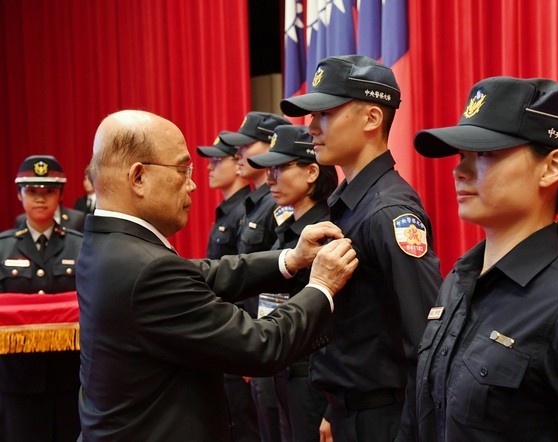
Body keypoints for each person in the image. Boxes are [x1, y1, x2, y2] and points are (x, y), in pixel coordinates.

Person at [76, 109, 358, 442]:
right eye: (183, 169)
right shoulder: (148, 268)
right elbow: (260, 345)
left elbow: (201, 273)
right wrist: (321, 287)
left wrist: (290, 259)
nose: (193, 184)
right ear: (138, 177)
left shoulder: (106, 243)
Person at [412, 76, 558, 441]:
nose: (459, 171)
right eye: (461, 155)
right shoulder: (457, 281)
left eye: (485, 154)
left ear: (552, 166)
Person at [280, 54, 443, 441]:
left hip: (386, 418)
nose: (311, 127)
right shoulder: (350, 201)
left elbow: (424, 337)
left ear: (372, 119)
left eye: (325, 114)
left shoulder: (389, 211)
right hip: (350, 410)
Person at [248, 124, 338, 441]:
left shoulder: (328, 231)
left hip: (314, 378)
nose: (270, 178)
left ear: (312, 172)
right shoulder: (288, 228)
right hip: (283, 369)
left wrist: (333, 405)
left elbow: (343, 320)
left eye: (280, 167)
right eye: (268, 169)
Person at [220, 111, 292, 442]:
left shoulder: (278, 207)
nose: (239, 154)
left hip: (270, 337)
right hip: (253, 331)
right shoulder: (256, 202)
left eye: (247, 145)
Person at [0, 154, 83, 441]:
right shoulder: (3, 248)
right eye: (32, 191)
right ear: (19, 194)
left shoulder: (80, 245)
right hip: (17, 380)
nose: (40, 199)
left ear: (60, 195)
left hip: (69, 376)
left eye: (48, 191)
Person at [197, 134, 258, 441]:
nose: (209, 168)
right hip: (225, 329)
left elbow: (244, 280)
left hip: (237, 330)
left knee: (245, 423)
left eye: (217, 161)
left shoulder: (243, 212)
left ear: (237, 165)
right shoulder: (229, 210)